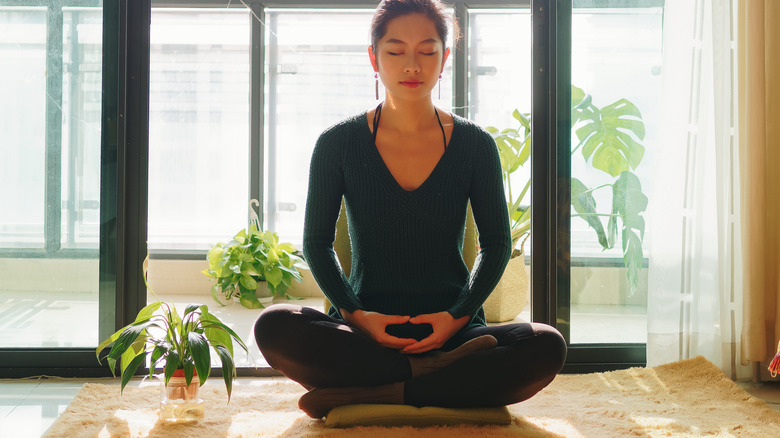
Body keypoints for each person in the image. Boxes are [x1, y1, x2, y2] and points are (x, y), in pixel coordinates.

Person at [254, 0, 566, 419]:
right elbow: (316, 243)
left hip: (452, 330)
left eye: (427, 50)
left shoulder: (475, 145)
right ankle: (438, 382)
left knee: (545, 344)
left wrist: (455, 319)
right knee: (274, 326)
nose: (412, 65)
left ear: (445, 58)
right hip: (363, 331)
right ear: (374, 58)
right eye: (396, 51)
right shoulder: (337, 144)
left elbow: (496, 245)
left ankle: (381, 389)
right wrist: (357, 316)